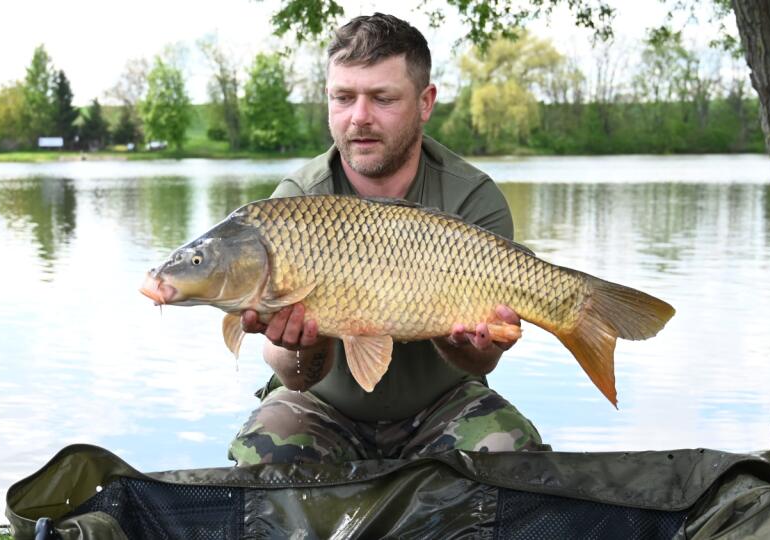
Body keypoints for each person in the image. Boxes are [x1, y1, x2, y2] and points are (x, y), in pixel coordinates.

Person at [228, 13, 546, 466]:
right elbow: (293, 375)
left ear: (425, 101)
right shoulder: (296, 203)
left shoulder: (471, 196)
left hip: (443, 404)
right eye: (343, 98)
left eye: (382, 98)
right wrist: (304, 345)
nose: (359, 118)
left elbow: (484, 362)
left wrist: (465, 345)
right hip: (321, 405)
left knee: (508, 452)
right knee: (267, 450)